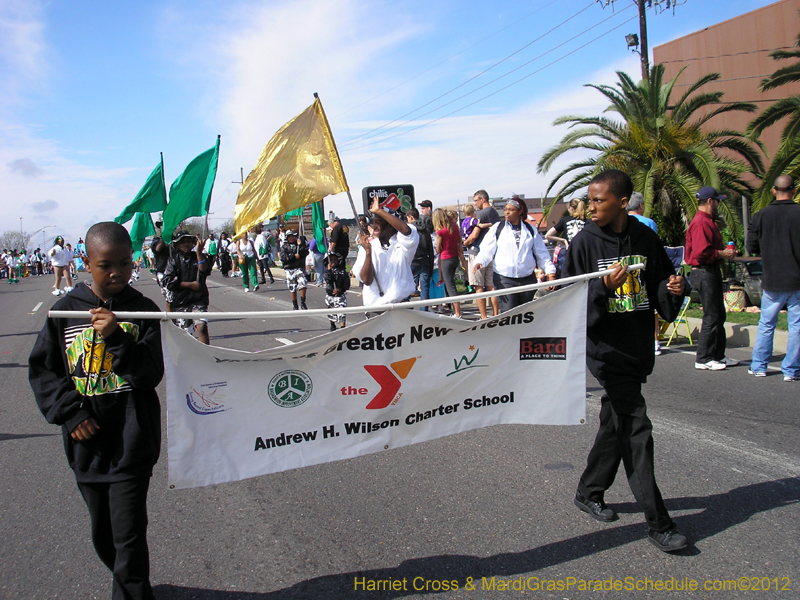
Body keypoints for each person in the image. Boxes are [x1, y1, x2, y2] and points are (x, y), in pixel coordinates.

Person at [29, 221, 164, 599]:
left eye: (124, 262)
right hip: (87, 447)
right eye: (106, 265)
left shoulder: (144, 310)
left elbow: (149, 374)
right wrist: (71, 414)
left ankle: (133, 591)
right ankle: (129, 581)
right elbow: (44, 371)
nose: (117, 272)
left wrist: (116, 336)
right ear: (87, 263)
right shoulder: (64, 311)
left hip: (132, 445)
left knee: (129, 536)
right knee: (103, 535)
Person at [565, 169, 689, 553]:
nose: (590, 207)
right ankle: (659, 524)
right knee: (637, 429)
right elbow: (567, 297)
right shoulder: (584, 243)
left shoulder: (644, 237)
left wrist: (673, 288)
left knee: (615, 422)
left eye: (599, 200)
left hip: (636, 343)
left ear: (622, 201)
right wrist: (601, 287)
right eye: (589, 200)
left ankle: (589, 491)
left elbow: (661, 282)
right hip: (605, 348)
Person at [746, 174, 800, 381]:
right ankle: (792, 370)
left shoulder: (761, 215)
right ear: (794, 191)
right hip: (797, 277)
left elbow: (752, 247)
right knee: (796, 326)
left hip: (772, 277)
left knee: (767, 323)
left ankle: (759, 365)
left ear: (774, 191)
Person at [685, 186, 738, 370]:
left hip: (710, 270)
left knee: (719, 314)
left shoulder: (708, 220)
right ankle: (703, 358)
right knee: (711, 315)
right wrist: (722, 253)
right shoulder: (701, 222)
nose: (718, 204)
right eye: (717, 201)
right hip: (704, 271)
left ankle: (718, 355)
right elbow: (701, 253)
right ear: (709, 201)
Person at [473, 198, 556, 313]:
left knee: (526, 314)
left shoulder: (530, 229)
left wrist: (550, 273)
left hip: (527, 278)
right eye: (505, 209)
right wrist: (480, 261)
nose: (507, 212)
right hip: (504, 278)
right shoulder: (498, 228)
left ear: (519, 211)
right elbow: (487, 250)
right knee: (509, 314)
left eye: (511, 210)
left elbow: (542, 253)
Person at [353, 196, 420, 310]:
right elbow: (367, 281)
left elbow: (406, 231)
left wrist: (379, 211)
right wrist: (368, 252)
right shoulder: (368, 246)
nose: (374, 226)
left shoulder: (403, 246)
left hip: (402, 308)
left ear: (390, 224)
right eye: (374, 222)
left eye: (378, 222)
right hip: (376, 310)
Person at [626, 192, 662, 355]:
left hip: (625, 269)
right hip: (644, 268)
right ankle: (654, 341)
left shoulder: (621, 222)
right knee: (649, 307)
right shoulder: (648, 223)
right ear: (640, 206)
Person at [162, 230, 211, 344]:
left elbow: (204, 270)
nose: (186, 244)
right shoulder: (173, 260)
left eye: (188, 241)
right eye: (182, 242)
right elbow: (168, 281)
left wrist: (199, 252)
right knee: (185, 333)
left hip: (199, 299)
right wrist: (190, 285)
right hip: (181, 301)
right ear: (177, 245)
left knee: (202, 326)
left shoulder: (198, 256)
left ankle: (207, 356)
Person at [464, 190, 501, 319]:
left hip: (478, 253)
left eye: (476, 200)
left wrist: (466, 242)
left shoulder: (481, 214)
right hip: (491, 254)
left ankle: (483, 316)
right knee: (491, 286)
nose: (475, 204)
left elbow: (474, 235)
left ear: (483, 199)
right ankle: (496, 314)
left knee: (478, 286)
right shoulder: (495, 213)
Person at [433, 208, 468, 318]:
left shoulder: (441, 232)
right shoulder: (455, 228)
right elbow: (459, 243)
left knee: (450, 286)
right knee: (452, 285)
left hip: (446, 259)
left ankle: (457, 313)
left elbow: (438, 250)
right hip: (454, 258)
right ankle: (455, 311)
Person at [407, 208, 434, 311]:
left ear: (411, 217)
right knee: (425, 287)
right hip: (425, 261)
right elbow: (430, 250)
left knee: (408, 286)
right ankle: (424, 310)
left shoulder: (409, 230)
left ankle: (408, 308)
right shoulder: (426, 230)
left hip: (413, 261)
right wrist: (430, 266)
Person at [280, 229, 309, 310]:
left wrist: (301, 246)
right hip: (289, 268)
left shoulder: (299, 244)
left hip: (299, 267)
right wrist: (293, 256)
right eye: (289, 237)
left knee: (302, 283)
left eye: (292, 236)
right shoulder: (284, 246)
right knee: (292, 286)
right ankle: (295, 304)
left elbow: (306, 252)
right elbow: (283, 257)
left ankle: (303, 303)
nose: (291, 238)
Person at [323, 252, 350, 331]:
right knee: (331, 313)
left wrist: (340, 289)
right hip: (330, 296)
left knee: (342, 313)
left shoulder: (342, 271)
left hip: (340, 296)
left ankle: (342, 328)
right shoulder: (326, 272)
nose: (333, 262)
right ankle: (332, 324)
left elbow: (346, 283)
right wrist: (329, 271)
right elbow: (328, 280)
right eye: (331, 260)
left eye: (335, 260)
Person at [150, 221, 172, 311]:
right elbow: (157, 249)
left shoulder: (176, 239)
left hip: (175, 270)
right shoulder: (156, 240)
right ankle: (172, 320)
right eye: (163, 225)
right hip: (162, 270)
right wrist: (164, 237)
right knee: (169, 296)